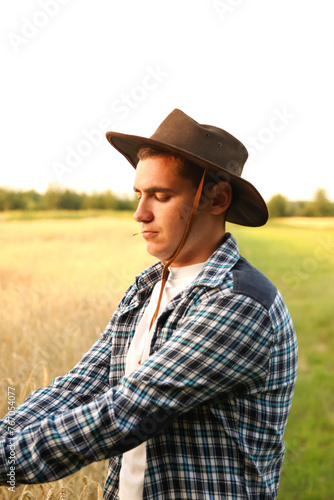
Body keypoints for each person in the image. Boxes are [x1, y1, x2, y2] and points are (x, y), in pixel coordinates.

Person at [0, 109, 298, 499]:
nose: (140, 214)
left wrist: (7, 460)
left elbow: (128, 410)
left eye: (161, 195)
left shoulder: (238, 304)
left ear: (218, 198)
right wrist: (6, 433)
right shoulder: (146, 287)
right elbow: (83, 383)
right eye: (139, 195)